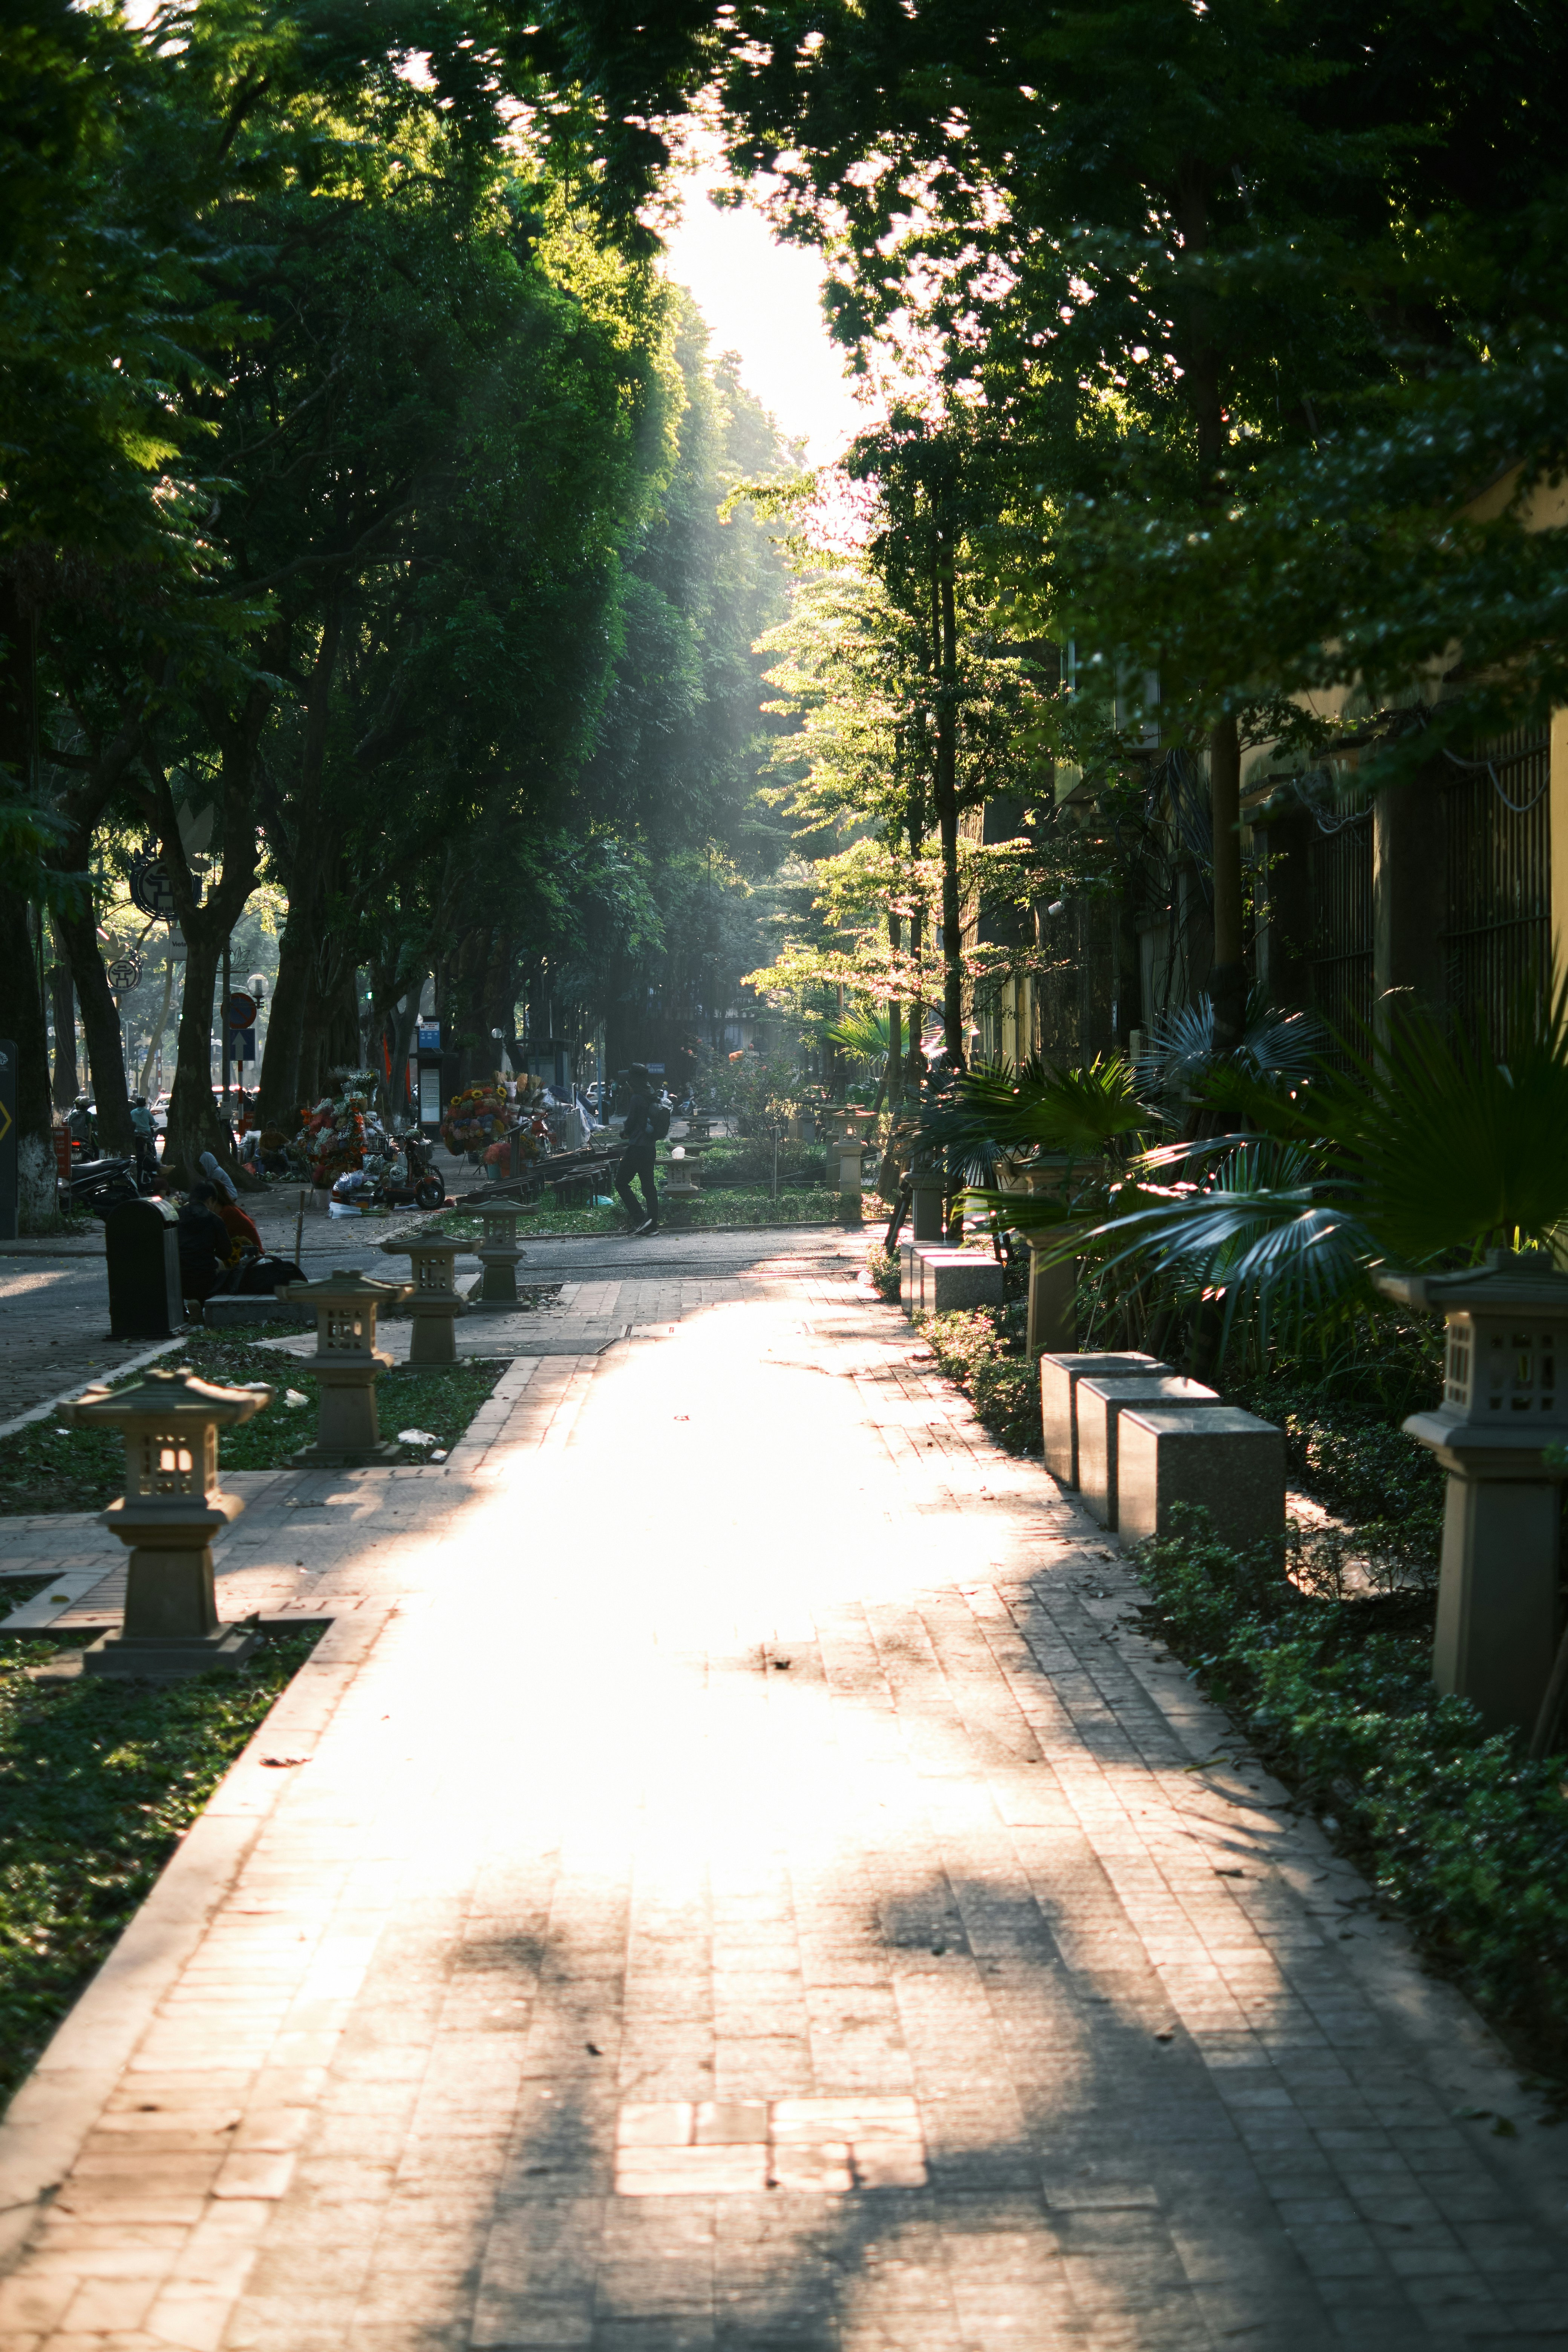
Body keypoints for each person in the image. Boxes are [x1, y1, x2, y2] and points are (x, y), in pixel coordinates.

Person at [616, 1064, 662, 1234]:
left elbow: (630, 1124)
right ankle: (651, 1225)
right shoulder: (651, 1095)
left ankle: (640, 1219)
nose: (627, 1084)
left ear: (633, 1081)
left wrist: (625, 1133)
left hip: (637, 1148)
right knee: (649, 1187)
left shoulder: (637, 1099)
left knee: (620, 1183)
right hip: (650, 1148)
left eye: (629, 1080)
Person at [176, 1185, 234, 1303]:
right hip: (206, 1279)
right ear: (210, 1200)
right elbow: (226, 1253)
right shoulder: (215, 1220)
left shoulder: (175, 1216)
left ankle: (190, 1307)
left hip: (178, 1277)